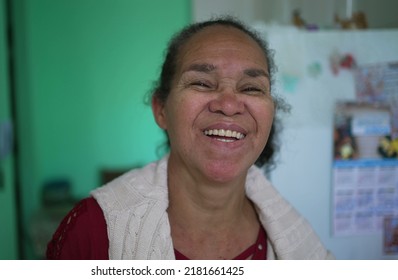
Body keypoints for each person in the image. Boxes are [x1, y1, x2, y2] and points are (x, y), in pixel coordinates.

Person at [46, 16, 334, 260]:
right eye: (202, 83)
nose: (229, 104)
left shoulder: (299, 241)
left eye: (251, 88)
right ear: (161, 109)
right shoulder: (93, 232)